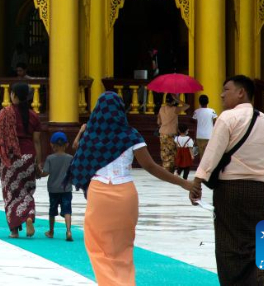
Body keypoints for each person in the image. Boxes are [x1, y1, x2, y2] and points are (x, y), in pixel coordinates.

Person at [68, 92, 192, 286]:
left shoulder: (91, 135)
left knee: (98, 248)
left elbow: (79, 159)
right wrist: (184, 183)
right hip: (125, 195)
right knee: (123, 249)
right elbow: (151, 167)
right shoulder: (131, 135)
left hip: (99, 193)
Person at [190, 75, 264, 286]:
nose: (222, 94)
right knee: (260, 241)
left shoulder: (227, 118)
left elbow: (212, 153)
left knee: (228, 245)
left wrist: (197, 181)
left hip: (229, 188)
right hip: (258, 189)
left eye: (226, 90)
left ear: (241, 92)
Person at [0, 82, 42, 238]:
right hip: (28, 157)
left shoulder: (5, 113)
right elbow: (37, 140)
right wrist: (38, 161)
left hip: (11, 158)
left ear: (14, 95)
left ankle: (14, 230)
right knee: (27, 190)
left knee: (11, 192)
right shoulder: (34, 116)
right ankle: (29, 217)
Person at [40, 131, 73, 241]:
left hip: (53, 189)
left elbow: (45, 173)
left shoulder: (50, 158)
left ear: (52, 145)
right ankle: (68, 230)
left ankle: (51, 231)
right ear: (66, 145)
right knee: (67, 210)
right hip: (66, 189)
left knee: (52, 211)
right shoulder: (70, 158)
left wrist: (38, 172)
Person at [157, 93, 188, 173]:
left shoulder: (161, 108)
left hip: (162, 133)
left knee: (164, 152)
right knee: (172, 153)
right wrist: (178, 99)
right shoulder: (175, 109)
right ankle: (169, 171)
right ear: (173, 101)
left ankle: (165, 170)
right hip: (172, 133)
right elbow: (187, 106)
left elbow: (158, 122)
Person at [192, 94, 217, 160]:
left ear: (199, 102)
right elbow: (215, 123)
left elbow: (195, 124)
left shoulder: (196, 112)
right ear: (208, 101)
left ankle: (202, 169)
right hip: (210, 136)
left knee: (202, 155)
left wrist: (194, 137)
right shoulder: (212, 111)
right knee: (209, 155)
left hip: (199, 136)